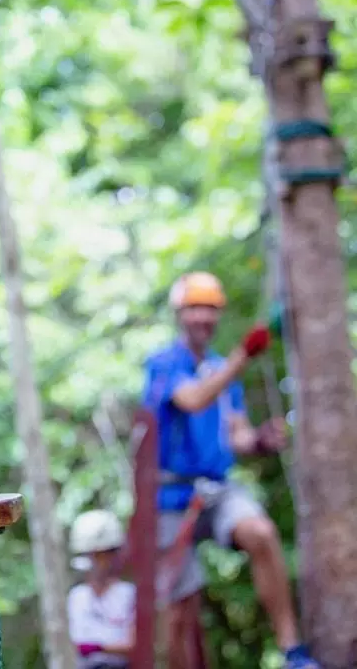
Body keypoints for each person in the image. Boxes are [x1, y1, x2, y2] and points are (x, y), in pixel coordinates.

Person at [142, 271, 318, 669]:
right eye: (195, 308)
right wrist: (245, 355)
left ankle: (292, 651)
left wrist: (259, 441)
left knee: (260, 533)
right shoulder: (164, 364)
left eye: (210, 309)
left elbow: (236, 434)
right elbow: (193, 400)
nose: (203, 317)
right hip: (170, 497)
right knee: (178, 612)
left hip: (216, 489)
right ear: (180, 315)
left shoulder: (222, 369)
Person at [67, 509, 135, 668]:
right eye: (89, 555)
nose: (94, 561)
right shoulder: (78, 597)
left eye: (99, 555)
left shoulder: (127, 594)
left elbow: (136, 644)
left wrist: (98, 648)